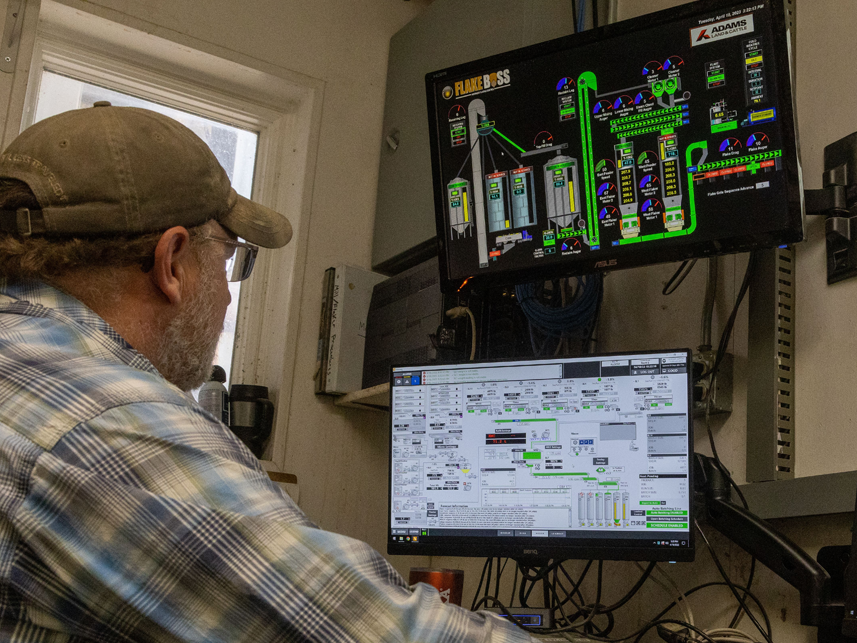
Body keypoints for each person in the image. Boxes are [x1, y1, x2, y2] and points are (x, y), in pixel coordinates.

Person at [0, 104, 533, 642]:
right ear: (173, 263)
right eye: (232, 257)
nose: (230, 292)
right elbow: (383, 634)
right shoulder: (105, 421)